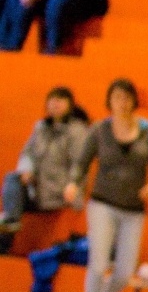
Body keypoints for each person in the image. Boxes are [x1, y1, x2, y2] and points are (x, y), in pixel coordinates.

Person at [65, 79, 148, 292]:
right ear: (109, 101)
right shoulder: (100, 130)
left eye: (126, 97)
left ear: (134, 101)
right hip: (102, 204)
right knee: (97, 266)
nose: (122, 103)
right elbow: (82, 162)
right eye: (117, 97)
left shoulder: (147, 130)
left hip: (133, 209)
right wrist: (73, 183)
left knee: (124, 273)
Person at [0, 87, 90, 254]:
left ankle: (7, 233)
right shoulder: (40, 127)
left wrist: (72, 187)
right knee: (12, 179)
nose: (55, 103)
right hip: (38, 189)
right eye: (52, 99)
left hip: (60, 193)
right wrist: (27, 170)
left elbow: (80, 165)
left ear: (70, 105)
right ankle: (8, 229)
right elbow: (27, 153)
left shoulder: (77, 131)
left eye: (61, 99)